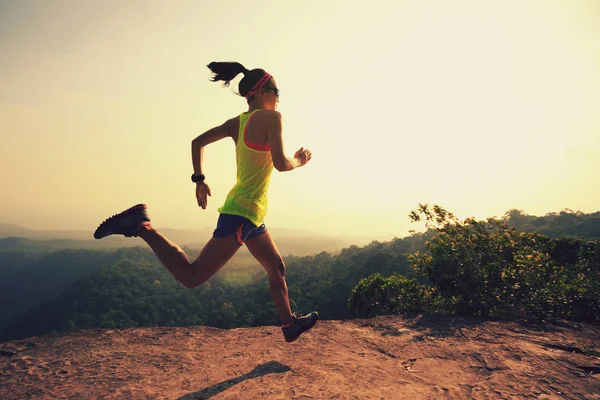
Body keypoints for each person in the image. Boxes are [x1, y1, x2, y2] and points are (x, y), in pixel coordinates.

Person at [94, 62, 318, 343]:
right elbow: (282, 164)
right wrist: (301, 160)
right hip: (241, 214)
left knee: (277, 269)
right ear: (261, 92)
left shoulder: (237, 123)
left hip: (252, 215)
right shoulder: (273, 118)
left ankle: (289, 325)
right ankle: (141, 226)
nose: (279, 97)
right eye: (276, 90)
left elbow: (196, 142)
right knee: (192, 276)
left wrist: (199, 179)